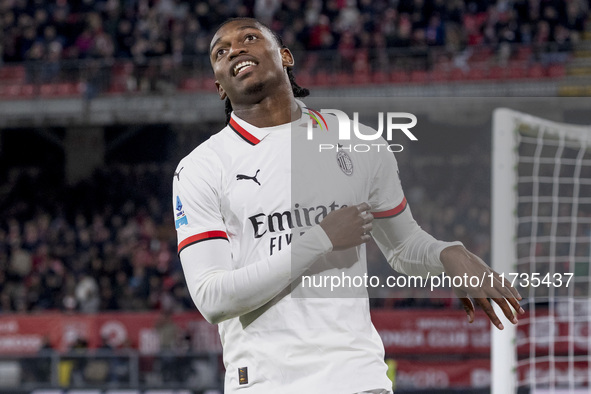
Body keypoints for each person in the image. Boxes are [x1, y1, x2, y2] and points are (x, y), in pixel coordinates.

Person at [173, 17, 523, 394]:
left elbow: (404, 247)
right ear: (219, 87)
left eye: (250, 38)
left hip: (357, 377)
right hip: (266, 382)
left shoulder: (357, 141)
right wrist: (320, 239)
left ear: (285, 56)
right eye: (221, 52)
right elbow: (212, 298)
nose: (235, 50)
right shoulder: (201, 167)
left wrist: (446, 253)